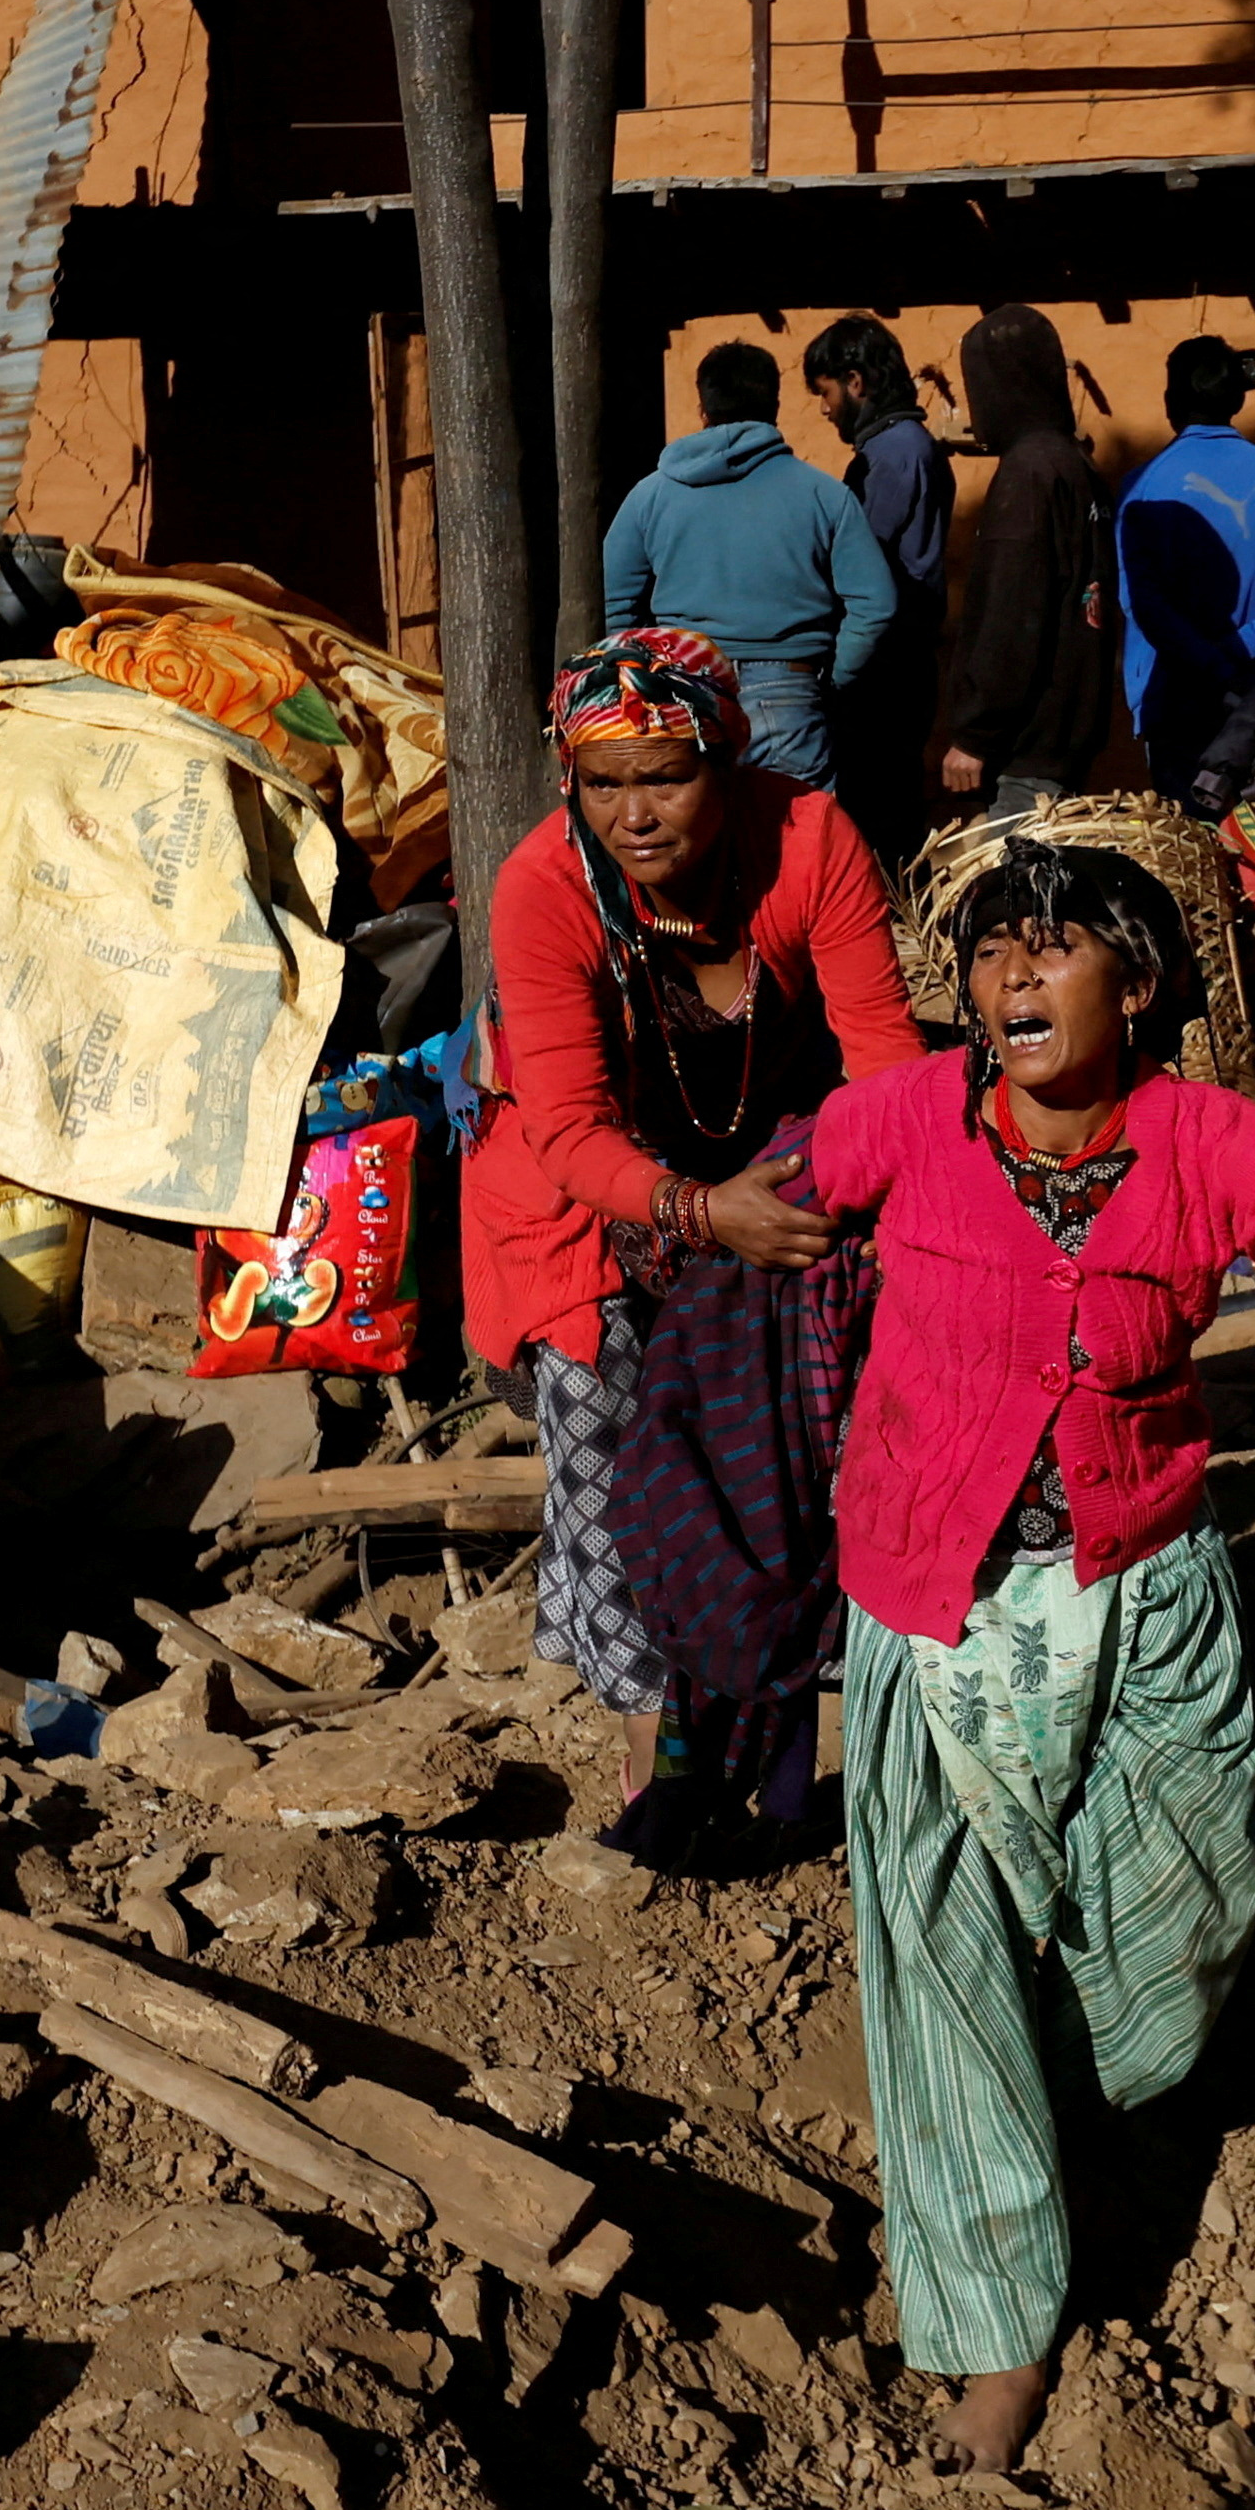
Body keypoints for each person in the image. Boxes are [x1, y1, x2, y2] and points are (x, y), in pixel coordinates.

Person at [791, 841, 1255, 2473]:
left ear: (1137, 987)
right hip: (926, 1608)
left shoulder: (1202, 1141)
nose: (1014, 982)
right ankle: (996, 2326)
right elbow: (794, 1180)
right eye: (996, 954)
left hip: (1136, 1590)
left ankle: (1065, 2093)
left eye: (1055, 953)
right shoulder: (910, 1117)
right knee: (936, 1966)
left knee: (1192, 1907)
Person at [464, 629, 927, 1842]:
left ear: (725, 759)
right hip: (578, 1200)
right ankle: (658, 1752)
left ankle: (789, 1717)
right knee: (616, 1455)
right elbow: (564, 1126)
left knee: (797, 1437)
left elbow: (882, 1060)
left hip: (776, 1162)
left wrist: (841, 1198)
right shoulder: (543, 888)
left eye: (665, 775)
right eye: (602, 782)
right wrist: (701, 1212)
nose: (636, 814)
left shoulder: (810, 841)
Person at [599, 341, 896, 789]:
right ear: (775, 405)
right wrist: (832, 678)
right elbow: (875, 604)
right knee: (797, 848)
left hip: (685, 688)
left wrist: (643, 675)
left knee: (697, 846)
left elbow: (615, 601)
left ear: (703, 409)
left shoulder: (650, 496)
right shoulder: (823, 495)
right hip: (788, 694)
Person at [1116, 331, 1255, 788]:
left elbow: (1145, 603)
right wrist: (1246, 646)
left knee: (1193, 847)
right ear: (1235, 400)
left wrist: (1213, 661)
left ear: (1170, 400)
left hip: (1177, 706)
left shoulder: (1143, 489)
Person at [934, 305, 1118, 825]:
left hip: (1023, 750)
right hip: (1068, 736)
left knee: (1014, 899)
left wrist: (975, 734)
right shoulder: (1078, 466)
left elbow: (1011, 614)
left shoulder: (1028, 474)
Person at [804, 314, 950, 862]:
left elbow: (861, 557)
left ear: (856, 382)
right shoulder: (904, 446)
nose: (824, 408)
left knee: (876, 819)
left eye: (825, 392)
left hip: (887, 667)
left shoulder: (893, 453)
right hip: (901, 663)